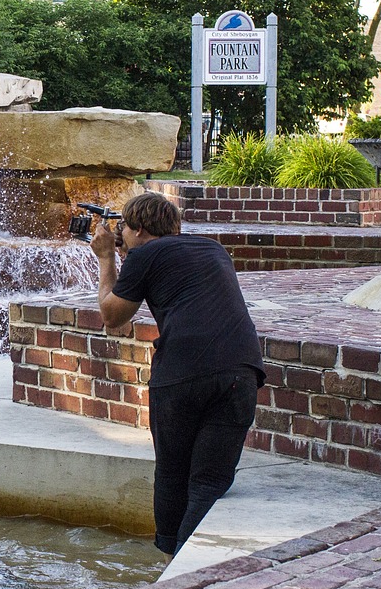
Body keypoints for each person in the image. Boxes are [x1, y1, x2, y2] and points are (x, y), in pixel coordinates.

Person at [89, 192, 265, 561]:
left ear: (137, 229)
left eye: (122, 228)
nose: (120, 235)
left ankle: (170, 563)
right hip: (242, 370)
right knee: (210, 480)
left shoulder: (143, 255)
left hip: (182, 372)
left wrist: (107, 258)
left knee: (172, 474)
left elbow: (112, 317)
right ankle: (194, 572)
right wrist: (129, 257)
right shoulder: (213, 249)